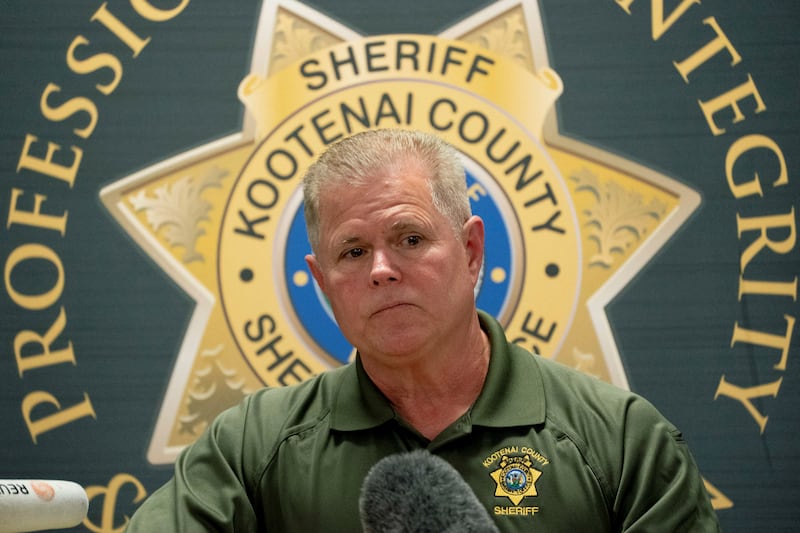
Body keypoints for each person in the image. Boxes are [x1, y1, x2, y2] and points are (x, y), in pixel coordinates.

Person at [125, 129, 720, 532]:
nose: (382, 270)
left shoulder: (624, 442)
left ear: (469, 250)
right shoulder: (249, 448)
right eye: (353, 251)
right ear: (323, 282)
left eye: (410, 239)